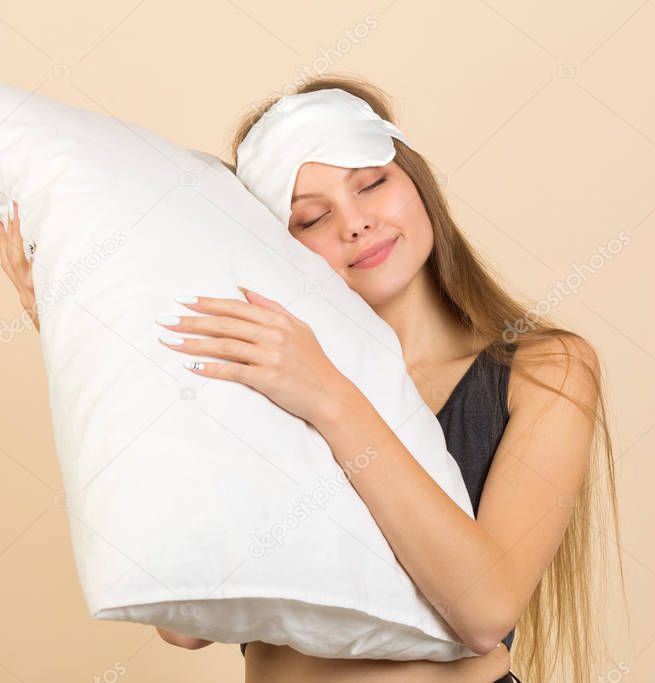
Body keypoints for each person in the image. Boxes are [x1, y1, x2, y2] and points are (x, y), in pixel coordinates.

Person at [0, 74, 623, 683]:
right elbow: (185, 622)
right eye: (310, 218)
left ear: (419, 184)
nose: (355, 224)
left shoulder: (544, 370)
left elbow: (485, 611)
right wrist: (83, 327)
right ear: (281, 250)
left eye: (372, 184)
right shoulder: (261, 365)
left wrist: (327, 396)